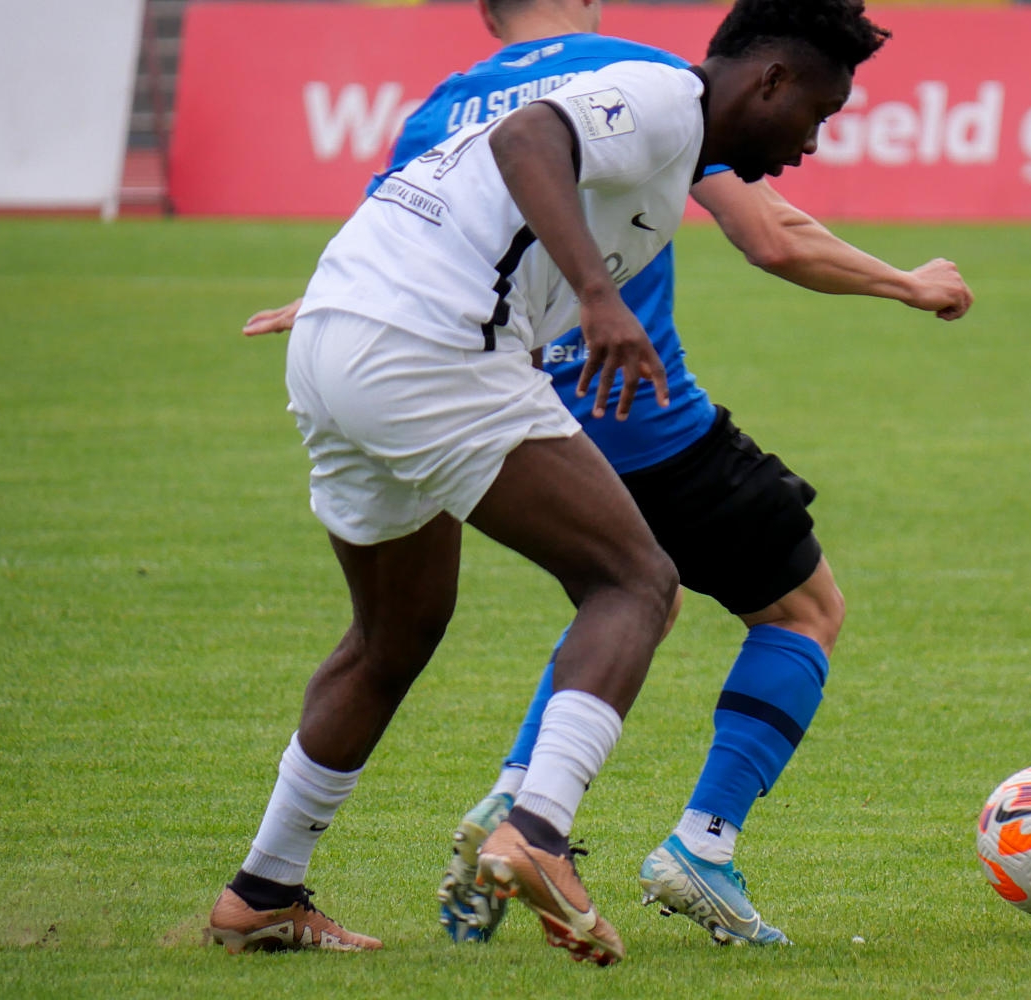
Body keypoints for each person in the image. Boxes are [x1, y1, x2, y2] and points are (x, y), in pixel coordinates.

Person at [242, 0, 972, 952]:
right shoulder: (660, 88)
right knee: (637, 580)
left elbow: (434, 192)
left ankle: (260, 895)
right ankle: (539, 828)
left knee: (395, 634)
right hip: (434, 353)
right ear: (770, 81)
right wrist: (599, 297)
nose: (814, 141)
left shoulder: (466, 94)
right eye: (820, 114)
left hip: (343, 339)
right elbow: (529, 137)